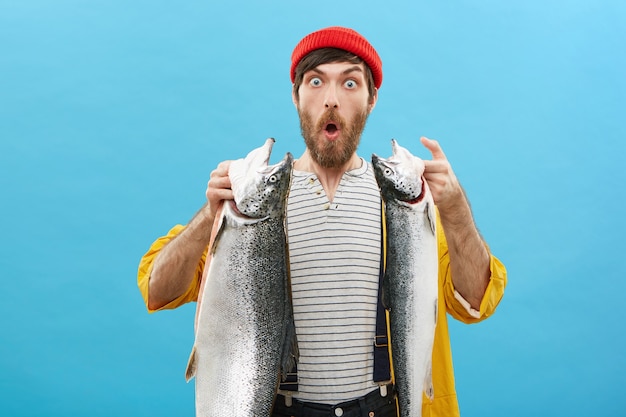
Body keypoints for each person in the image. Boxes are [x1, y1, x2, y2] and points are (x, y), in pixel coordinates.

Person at [138, 26, 507, 417]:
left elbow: (475, 301)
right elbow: (158, 290)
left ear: (371, 100)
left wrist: (456, 211)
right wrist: (209, 218)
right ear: (296, 96)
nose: (331, 100)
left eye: (350, 83)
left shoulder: (406, 206)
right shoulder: (251, 204)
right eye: (316, 82)